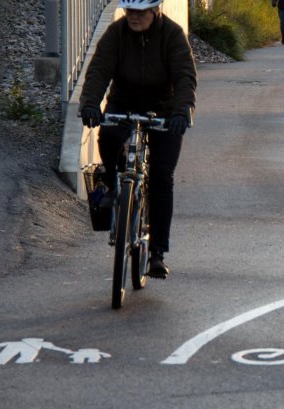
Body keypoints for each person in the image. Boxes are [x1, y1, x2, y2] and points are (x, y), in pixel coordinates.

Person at [79, 0, 197, 279]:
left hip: (164, 109)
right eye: (129, 10)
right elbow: (98, 71)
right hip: (123, 103)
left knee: (161, 178)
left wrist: (182, 111)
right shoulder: (116, 34)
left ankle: (157, 253)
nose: (133, 16)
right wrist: (90, 104)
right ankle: (113, 182)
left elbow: (185, 76)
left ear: (155, 11)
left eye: (140, 12)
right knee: (107, 137)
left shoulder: (172, 35)